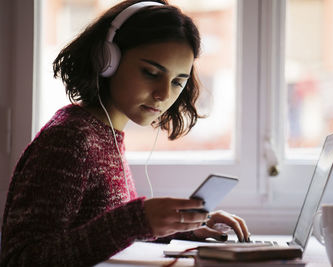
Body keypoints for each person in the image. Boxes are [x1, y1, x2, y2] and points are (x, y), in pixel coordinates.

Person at [0, 0, 250, 266]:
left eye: (178, 81)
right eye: (151, 72)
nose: (164, 94)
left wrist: (183, 227)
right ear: (106, 60)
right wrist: (136, 219)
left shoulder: (104, 135)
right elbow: (21, 259)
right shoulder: (70, 139)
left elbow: (97, 236)